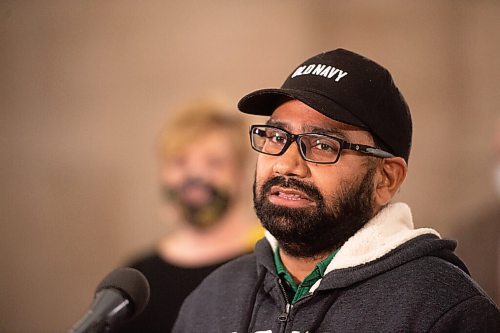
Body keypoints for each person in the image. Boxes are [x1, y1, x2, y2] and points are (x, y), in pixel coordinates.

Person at [173, 49, 500, 332]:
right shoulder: (213, 298)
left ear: (386, 178)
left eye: (321, 144)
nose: (286, 165)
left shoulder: (442, 311)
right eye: (275, 137)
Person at [117, 98, 263, 333]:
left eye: (214, 162)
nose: (195, 175)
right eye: (180, 162)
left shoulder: (270, 262)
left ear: (240, 175)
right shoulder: (137, 281)